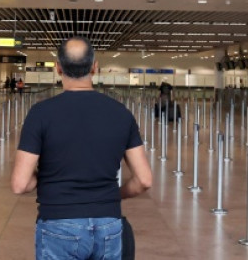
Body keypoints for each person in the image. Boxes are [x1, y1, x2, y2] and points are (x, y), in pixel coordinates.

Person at [11, 36, 152, 259]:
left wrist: (46, 175)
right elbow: (144, 180)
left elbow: (20, 184)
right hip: (108, 221)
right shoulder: (120, 113)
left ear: (58, 68)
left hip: (58, 222)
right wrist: (115, 194)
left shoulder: (41, 114)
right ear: (95, 67)